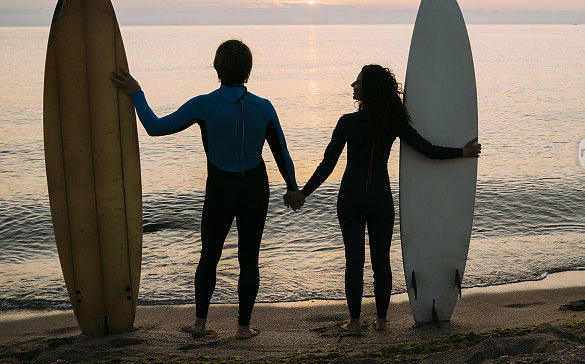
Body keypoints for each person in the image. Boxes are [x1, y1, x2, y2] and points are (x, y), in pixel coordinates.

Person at [110, 40, 304, 339]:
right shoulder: (264, 107)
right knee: (249, 258)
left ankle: (200, 324)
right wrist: (293, 188)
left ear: (216, 67)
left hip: (220, 187)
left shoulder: (205, 104)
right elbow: (282, 153)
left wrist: (136, 92)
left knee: (209, 255)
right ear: (249, 70)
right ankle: (243, 327)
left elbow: (155, 127)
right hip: (254, 186)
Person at [287, 64, 480, 332]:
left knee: (353, 261)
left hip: (351, 199)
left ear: (367, 90)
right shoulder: (393, 122)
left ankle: (354, 322)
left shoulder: (347, 122)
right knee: (381, 262)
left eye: (357, 82)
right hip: (380, 200)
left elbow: (327, 165)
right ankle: (381, 321)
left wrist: (303, 193)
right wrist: (462, 152)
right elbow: (429, 150)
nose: (352, 85)